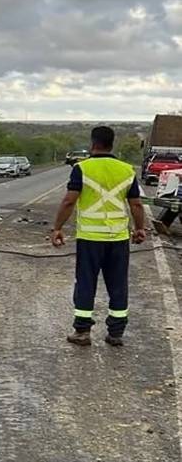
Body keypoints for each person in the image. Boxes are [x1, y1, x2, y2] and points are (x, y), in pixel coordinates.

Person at [51, 126, 146, 347]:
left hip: (90, 239)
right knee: (118, 285)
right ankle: (116, 333)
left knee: (86, 283)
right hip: (118, 239)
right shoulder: (126, 170)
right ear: (112, 144)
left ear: (93, 144)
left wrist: (57, 227)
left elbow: (69, 201)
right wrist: (139, 229)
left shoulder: (81, 168)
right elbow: (137, 204)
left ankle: (82, 332)